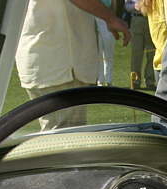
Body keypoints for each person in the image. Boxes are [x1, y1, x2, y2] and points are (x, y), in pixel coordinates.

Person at [16, 0, 131, 131]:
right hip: (60, 64)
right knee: (65, 140)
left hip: (50, 60)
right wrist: (110, 18)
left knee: (59, 137)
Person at [126, 0, 154, 89]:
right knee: (136, 53)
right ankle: (135, 80)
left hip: (151, 19)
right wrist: (135, 6)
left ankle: (150, 81)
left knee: (152, 53)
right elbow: (127, 5)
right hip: (137, 19)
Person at [95, 0, 118, 86]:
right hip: (96, 29)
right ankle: (100, 80)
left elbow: (113, 11)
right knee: (99, 57)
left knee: (108, 56)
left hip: (108, 29)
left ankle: (109, 80)